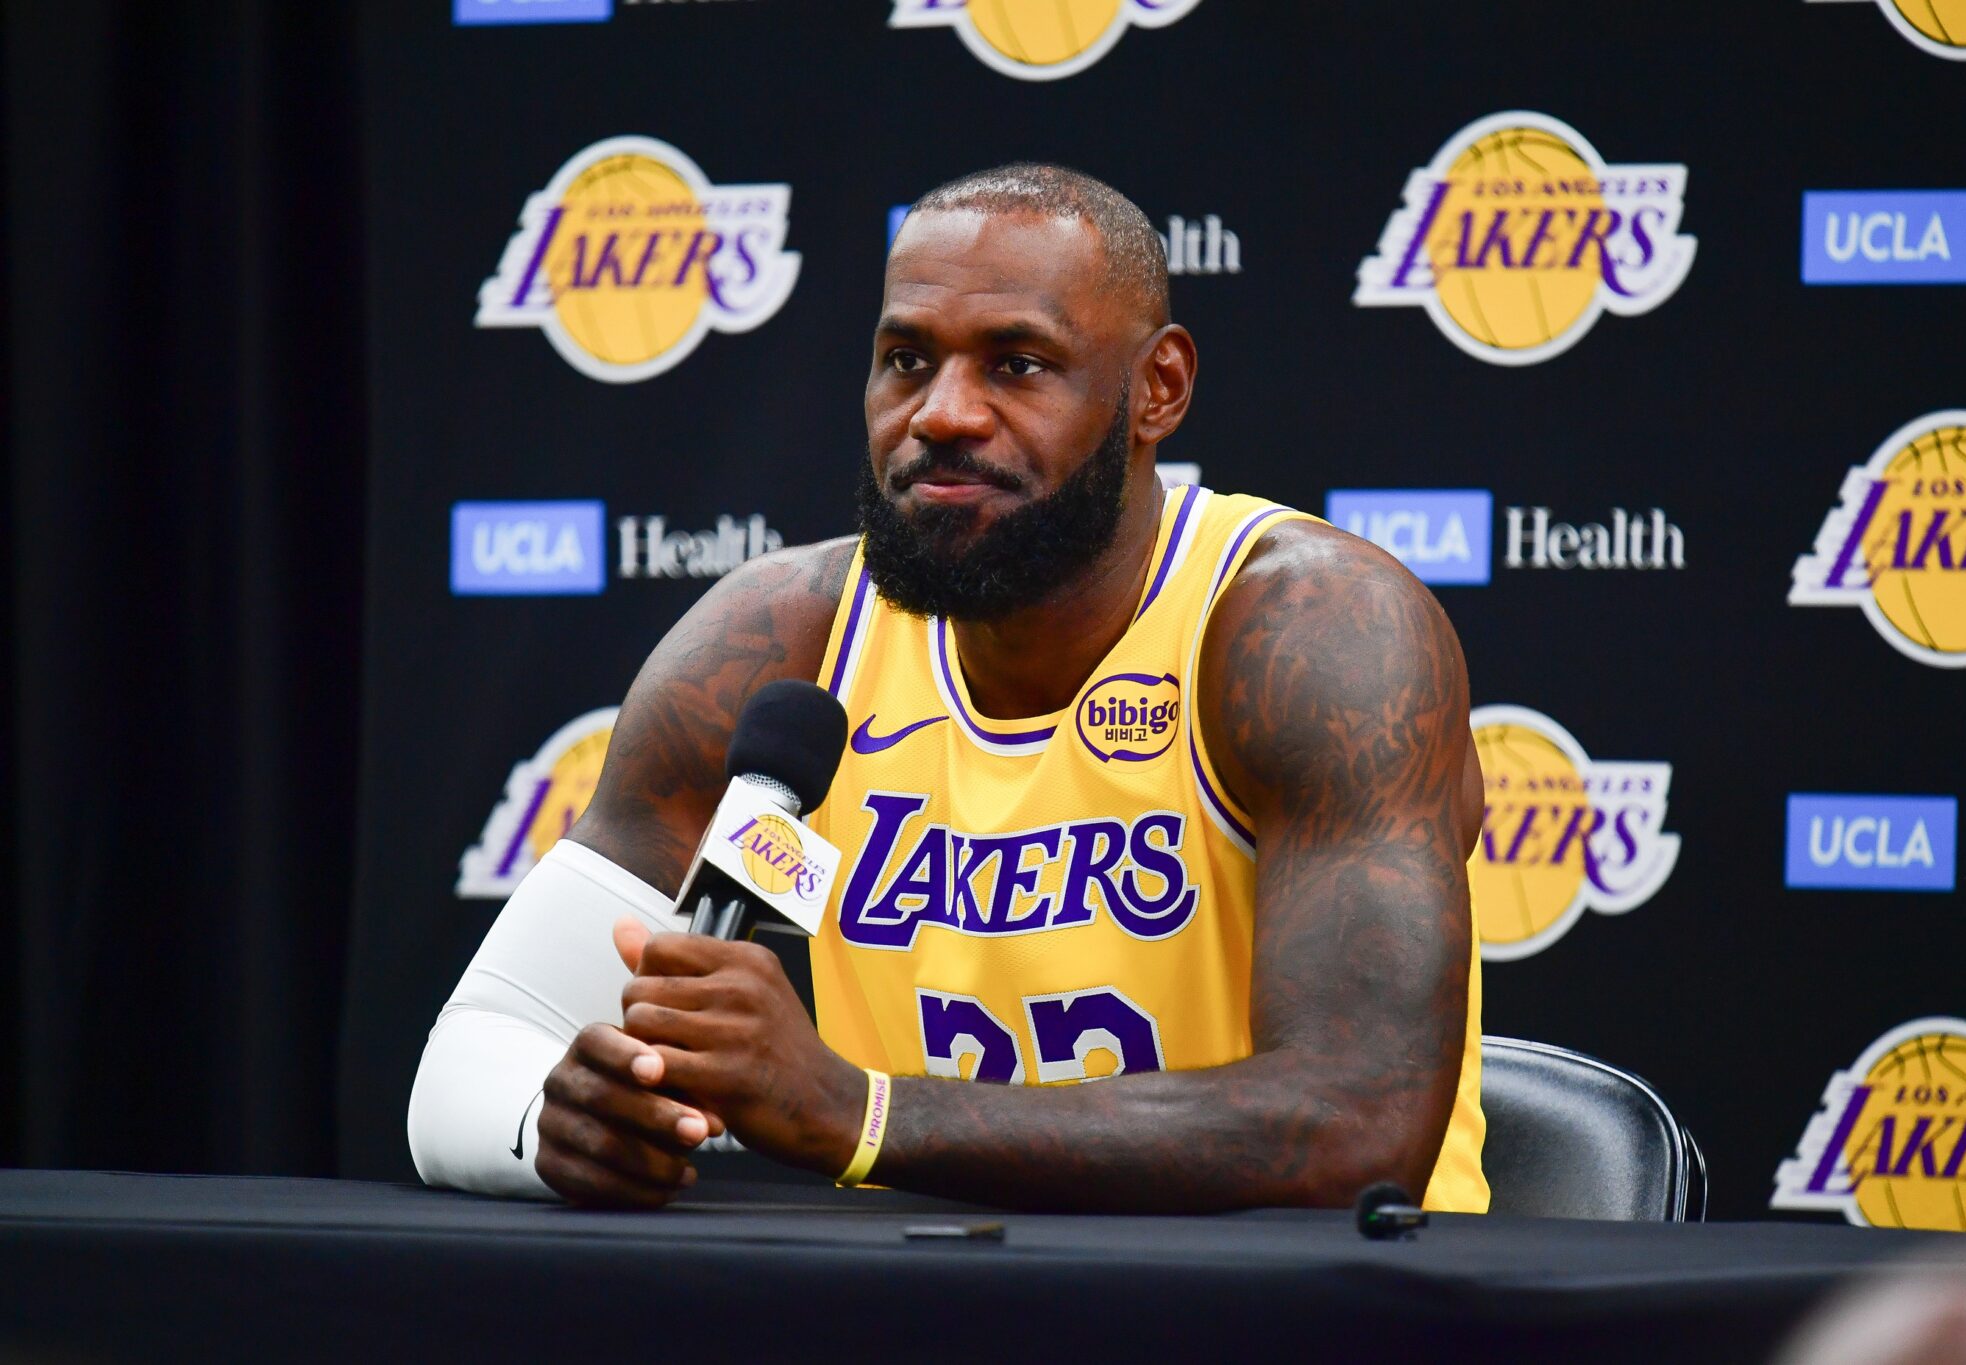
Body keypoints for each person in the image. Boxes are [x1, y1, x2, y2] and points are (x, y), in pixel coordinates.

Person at [408, 163, 1489, 1213]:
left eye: (1016, 364)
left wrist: (858, 1113)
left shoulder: (1309, 628)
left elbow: (1357, 1122)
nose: (943, 413)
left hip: (1288, 1301)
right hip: (937, 1290)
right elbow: (481, 1047)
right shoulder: (784, 640)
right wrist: (558, 1127)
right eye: (906, 360)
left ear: (1156, 388)